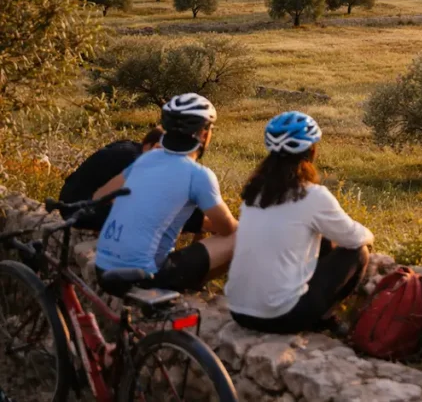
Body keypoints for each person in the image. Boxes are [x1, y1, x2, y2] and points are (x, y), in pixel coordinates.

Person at [225, 111, 373, 334]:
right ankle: (324, 318)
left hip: (237, 311)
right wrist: (369, 235)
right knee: (358, 253)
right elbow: (353, 238)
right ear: (311, 151)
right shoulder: (313, 195)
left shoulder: (254, 192)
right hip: (280, 318)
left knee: (320, 239)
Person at [95, 93, 238, 294]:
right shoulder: (198, 175)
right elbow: (226, 228)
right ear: (204, 134)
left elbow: (101, 196)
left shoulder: (147, 158)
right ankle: (192, 289)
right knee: (239, 235)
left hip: (102, 267)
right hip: (146, 275)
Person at [57, 127, 165, 231]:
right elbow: (120, 199)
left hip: (69, 204)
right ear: (156, 147)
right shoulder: (135, 161)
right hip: (78, 213)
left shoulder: (127, 148)